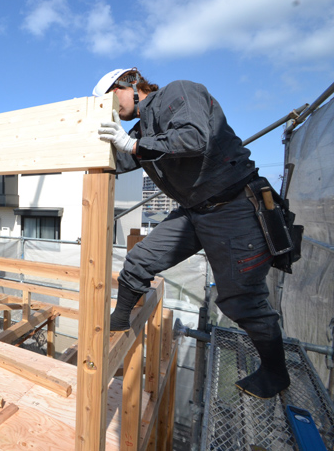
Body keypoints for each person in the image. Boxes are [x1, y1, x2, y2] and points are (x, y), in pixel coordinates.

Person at [94, 68, 290, 399]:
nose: (110, 108)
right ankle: (121, 317)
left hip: (232, 205)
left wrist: (133, 144)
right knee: (141, 258)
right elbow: (121, 160)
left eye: (109, 99)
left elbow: (194, 137)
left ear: (129, 85)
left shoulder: (177, 93)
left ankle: (275, 371)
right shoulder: (144, 130)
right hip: (194, 211)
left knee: (240, 298)